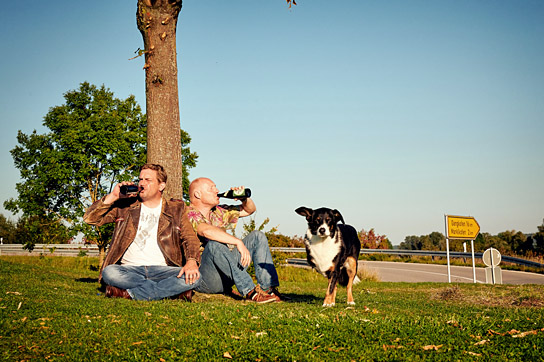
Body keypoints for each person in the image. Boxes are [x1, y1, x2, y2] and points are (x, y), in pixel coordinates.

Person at [83, 164, 201, 301]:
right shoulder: (125, 206)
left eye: (148, 180)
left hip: (163, 270)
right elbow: (90, 219)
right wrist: (114, 196)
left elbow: (190, 238)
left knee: (196, 277)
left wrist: (192, 261)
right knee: (109, 272)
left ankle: (131, 294)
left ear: (161, 186)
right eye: (141, 179)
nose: (142, 183)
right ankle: (165, 291)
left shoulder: (177, 209)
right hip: (129, 270)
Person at [187, 177, 288, 303]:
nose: (217, 190)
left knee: (257, 236)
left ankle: (268, 289)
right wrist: (237, 242)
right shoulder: (188, 212)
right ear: (198, 194)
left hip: (226, 272)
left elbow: (249, 210)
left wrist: (244, 199)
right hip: (205, 279)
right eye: (212, 188)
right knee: (214, 245)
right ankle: (250, 292)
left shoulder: (219, 211)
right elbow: (205, 230)